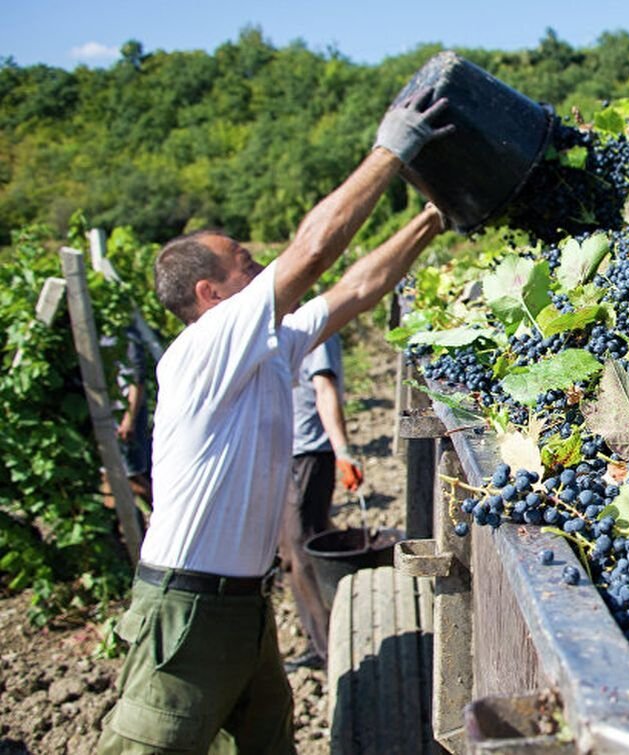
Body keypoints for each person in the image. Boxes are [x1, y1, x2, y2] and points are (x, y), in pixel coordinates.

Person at [97, 88, 454, 754]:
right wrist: (393, 148)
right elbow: (313, 253)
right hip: (186, 612)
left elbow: (353, 288)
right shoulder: (200, 351)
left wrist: (434, 216)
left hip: (241, 607)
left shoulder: (266, 350)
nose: (263, 269)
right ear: (211, 294)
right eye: (246, 264)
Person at [279, 331, 362, 672]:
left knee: (302, 552)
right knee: (295, 549)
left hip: (309, 452)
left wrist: (342, 450)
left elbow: (325, 388)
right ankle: (329, 637)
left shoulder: (313, 329)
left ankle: (331, 649)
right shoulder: (279, 330)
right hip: (292, 453)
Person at [100, 321, 153, 513]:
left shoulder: (125, 331)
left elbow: (137, 378)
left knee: (131, 477)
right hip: (103, 416)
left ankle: (168, 518)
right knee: (107, 477)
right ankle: (126, 531)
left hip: (123, 416)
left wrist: (129, 419)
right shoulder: (93, 325)